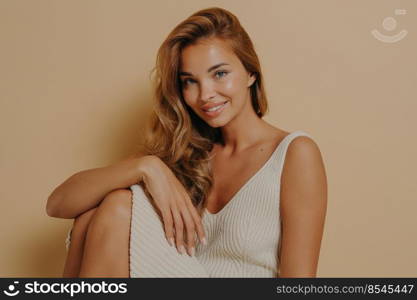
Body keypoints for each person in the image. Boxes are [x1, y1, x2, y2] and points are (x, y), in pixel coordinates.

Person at [46, 7, 327, 278]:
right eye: (189, 81)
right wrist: (147, 167)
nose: (205, 94)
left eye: (219, 74)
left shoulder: (295, 153)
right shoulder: (186, 153)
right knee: (99, 214)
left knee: (117, 208)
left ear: (250, 73)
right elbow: (58, 204)